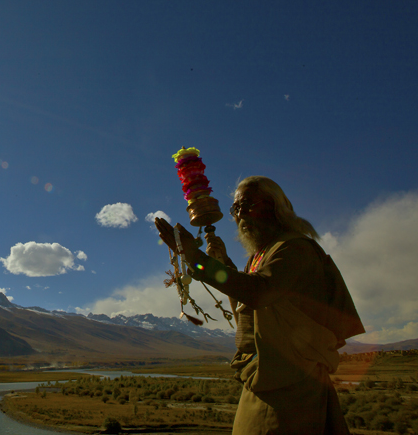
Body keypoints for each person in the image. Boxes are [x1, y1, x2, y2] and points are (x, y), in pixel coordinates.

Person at [155, 176, 364, 435]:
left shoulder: (295, 248)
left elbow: (260, 292)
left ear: (274, 205)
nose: (240, 214)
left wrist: (194, 255)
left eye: (247, 204)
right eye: (236, 209)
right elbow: (247, 303)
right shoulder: (261, 255)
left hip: (290, 385)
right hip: (263, 379)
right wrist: (220, 263)